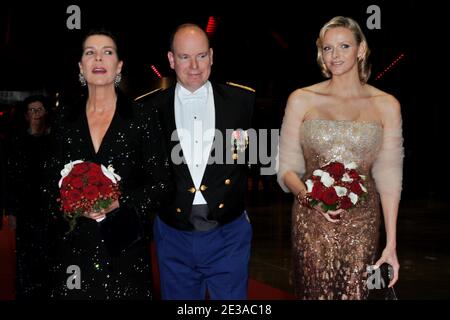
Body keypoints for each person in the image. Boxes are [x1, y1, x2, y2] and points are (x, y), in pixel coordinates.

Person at [277, 16, 404, 300]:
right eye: (327, 48)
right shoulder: (301, 98)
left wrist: (391, 244)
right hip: (311, 222)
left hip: (364, 225)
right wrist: (312, 198)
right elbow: (286, 168)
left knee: (358, 293)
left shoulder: (386, 105)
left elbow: (389, 177)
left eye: (344, 46)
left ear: (361, 50)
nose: (335, 55)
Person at [44, 29, 172, 299]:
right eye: (90, 52)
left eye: (107, 52)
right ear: (81, 66)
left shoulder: (142, 117)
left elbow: (161, 184)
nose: (98, 58)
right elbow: (46, 186)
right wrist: (70, 203)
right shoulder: (63, 121)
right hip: (73, 248)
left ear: (119, 66)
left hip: (125, 249)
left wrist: (118, 201)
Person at [141, 23, 255, 300]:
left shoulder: (243, 101)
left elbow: (265, 156)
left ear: (212, 56)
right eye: (184, 57)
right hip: (173, 233)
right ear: (171, 59)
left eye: (201, 56)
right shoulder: (147, 109)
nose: (194, 66)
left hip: (228, 232)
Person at [6, 95, 53, 299]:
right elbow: (10, 178)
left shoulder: (55, 141)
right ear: (26, 116)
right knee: (26, 256)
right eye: (32, 110)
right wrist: (11, 211)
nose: (36, 114)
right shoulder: (16, 143)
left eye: (39, 109)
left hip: (50, 208)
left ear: (46, 113)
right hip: (26, 208)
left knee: (49, 253)